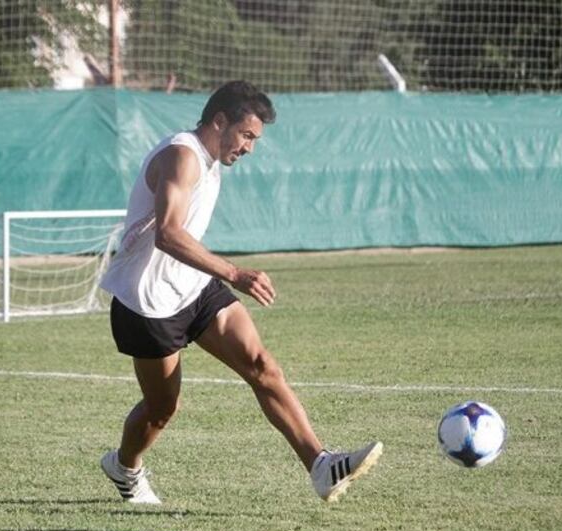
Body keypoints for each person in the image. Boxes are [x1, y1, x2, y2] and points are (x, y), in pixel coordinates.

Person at [98, 80, 382, 504]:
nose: (249, 147)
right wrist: (235, 272)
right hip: (148, 302)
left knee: (262, 365)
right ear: (219, 121)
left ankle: (321, 466)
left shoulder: (211, 160)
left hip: (193, 286)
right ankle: (123, 467)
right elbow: (169, 235)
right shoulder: (182, 156)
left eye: (255, 139)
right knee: (161, 409)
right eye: (246, 135)